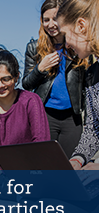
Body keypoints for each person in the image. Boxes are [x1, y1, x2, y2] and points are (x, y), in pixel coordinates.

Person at [22, 0, 90, 159]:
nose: (51, 24)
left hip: (72, 118)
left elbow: (87, 86)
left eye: (55, 18)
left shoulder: (78, 45)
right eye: (46, 20)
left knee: (70, 166)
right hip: (45, 115)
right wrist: (40, 68)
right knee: (46, 164)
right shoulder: (34, 47)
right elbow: (26, 84)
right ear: (41, 21)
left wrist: (87, 121)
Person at [56, 0, 99, 170]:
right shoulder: (91, 74)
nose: (65, 44)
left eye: (65, 34)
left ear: (81, 25)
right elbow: (94, 129)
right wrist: (77, 160)